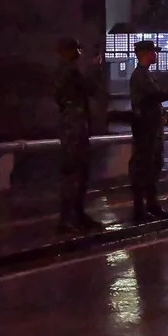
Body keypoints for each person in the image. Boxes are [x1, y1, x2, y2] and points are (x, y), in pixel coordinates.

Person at [129, 40, 168, 223]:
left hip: (152, 127)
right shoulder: (140, 75)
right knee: (143, 168)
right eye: (153, 52)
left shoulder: (147, 74)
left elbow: (151, 101)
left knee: (154, 167)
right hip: (145, 129)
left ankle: (152, 205)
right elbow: (156, 95)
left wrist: (160, 115)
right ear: (145, 54)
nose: (155, 55)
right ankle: (139, 210)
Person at [54, 37, 103, 232]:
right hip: (73, 129)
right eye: (76, 50)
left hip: (75, 127)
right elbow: (90, 88)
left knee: (81, 174)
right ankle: (68, 219)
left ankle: (77, 214)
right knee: (73, 175)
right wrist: (95, 68)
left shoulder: (66, 71)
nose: (79, 54)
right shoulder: (68, 72)